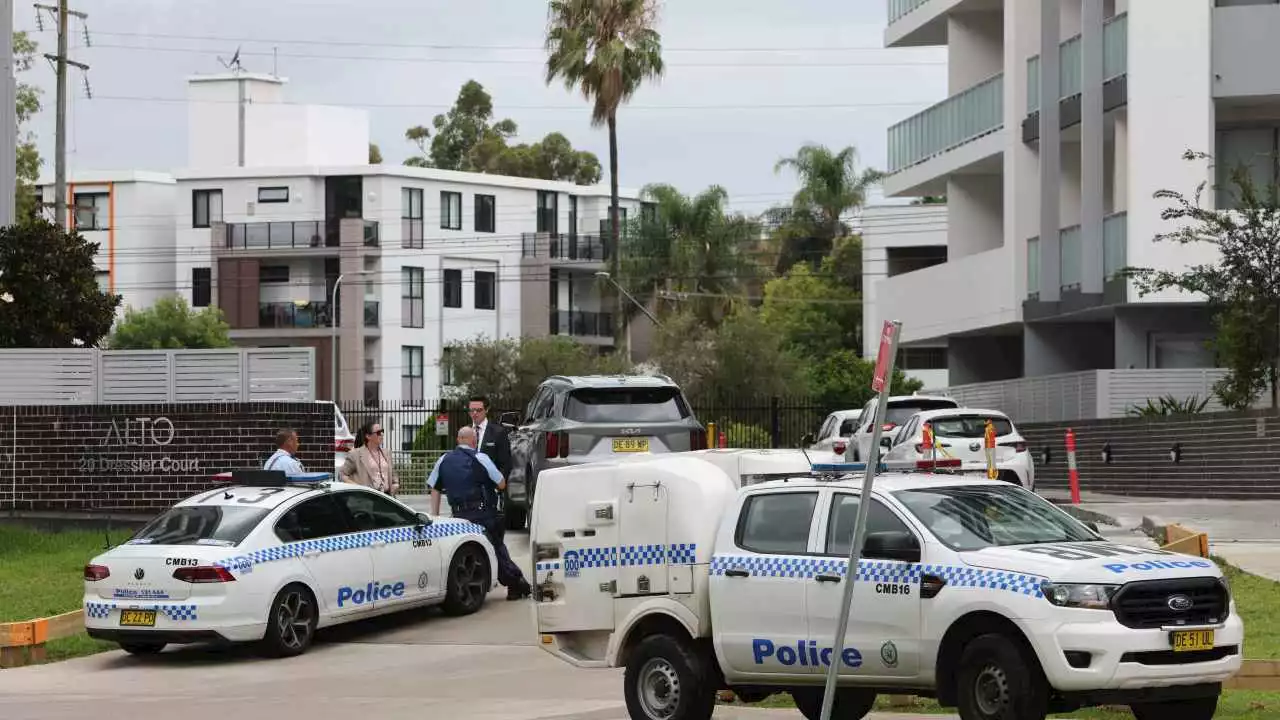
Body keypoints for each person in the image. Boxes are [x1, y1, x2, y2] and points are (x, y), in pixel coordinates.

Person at [427, 426, 532, 601]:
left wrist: (435, 516)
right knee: (496, 550)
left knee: (470, 552)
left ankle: (495, 586)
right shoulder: (480, 458)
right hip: (483, 514)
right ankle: (516, 582)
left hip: (459, 517)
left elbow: (435, 488)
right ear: (474, 440)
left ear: (457, 440)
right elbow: (501, 483)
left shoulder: (443, 460)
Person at [468, 394, 512, 530]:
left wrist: (498, 487)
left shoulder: (498, 432)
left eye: (478, 410)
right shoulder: (465, 433)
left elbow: (506, 463)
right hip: (468, 495)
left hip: (489, 493)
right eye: (471, 410)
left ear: (486, 410)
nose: (474, 414)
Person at [339, 420, 400, 495]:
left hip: (386, 497)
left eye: (382, 431)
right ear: (368, 436)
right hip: (367, 498)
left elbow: (393, 474)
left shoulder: (387, 453)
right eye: (378, 433)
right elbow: (343, 475)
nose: (382, 434)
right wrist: (358, 488)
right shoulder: (356, 454)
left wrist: (395, 484)